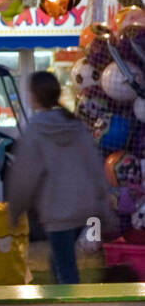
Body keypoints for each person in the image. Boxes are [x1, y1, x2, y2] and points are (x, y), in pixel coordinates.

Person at [8, 71, 115, 285]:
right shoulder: (75, 125)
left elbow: (25, 176)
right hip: (83, 208)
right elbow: (94, 166)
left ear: (35, 96)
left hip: (57, 212)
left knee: (66, 269)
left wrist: (15, 210)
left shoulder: (36, 129)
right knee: (60, 260)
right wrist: (104, 204)